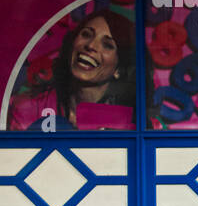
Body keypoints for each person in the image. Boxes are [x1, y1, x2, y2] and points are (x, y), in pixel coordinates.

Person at [6, 8, 136, 131]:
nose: (90, 45)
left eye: (107, 45)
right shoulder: (28, 108)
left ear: (118, 69)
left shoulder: (125, 123)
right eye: (86, 34)